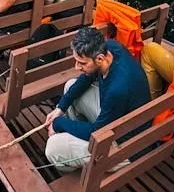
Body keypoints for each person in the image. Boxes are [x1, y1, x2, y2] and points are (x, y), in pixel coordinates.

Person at [44, 26, 151, 173]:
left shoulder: (118, 89)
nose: (76, 67)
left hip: (126, 145)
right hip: (117, 119)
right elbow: (86, 78)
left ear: (100, 59)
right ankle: (76, 140)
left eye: (82, 63)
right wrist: (59, 109)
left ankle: (73, 157)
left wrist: (58, 123)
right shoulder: (111, 48)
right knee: (71, 86)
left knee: (53, 147)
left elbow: (96, 131)